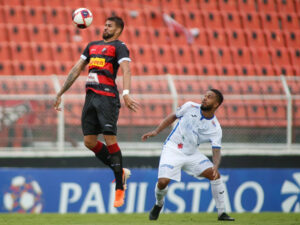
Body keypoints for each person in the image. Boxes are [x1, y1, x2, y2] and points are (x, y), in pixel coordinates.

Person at [54, 16, 139, 208]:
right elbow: (77, 69)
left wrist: (126, 93)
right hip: (90, 97)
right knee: (89, 142)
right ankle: (121, 172)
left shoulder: (119, 46)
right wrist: (60, 92)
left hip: (107, 97)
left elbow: (126, 70)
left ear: (118, 30)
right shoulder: (92, 46)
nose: (105, 28)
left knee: (110, 140)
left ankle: (119, 187)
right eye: (105, 25)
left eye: (110, 26)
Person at [142, 89, 234, 221]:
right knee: (163, 182)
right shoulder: (190, 106)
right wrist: (156, 131)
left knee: (215, 175)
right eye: (205, 95)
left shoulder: (215, 127)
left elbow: (216, 149)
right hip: (173, 149)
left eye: (209, 97)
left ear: (216, 104)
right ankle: (158, 204)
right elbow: (173, 116)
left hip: (191, 154)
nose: (204, 98)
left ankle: (222, 213)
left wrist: (216, 165)